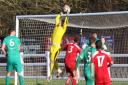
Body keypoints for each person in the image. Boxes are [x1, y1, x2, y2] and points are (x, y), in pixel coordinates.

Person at [49, 12, 68, 79]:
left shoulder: (63, 29)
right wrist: (60, 14)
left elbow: (66, 23)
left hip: (57, 48)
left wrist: (67, 15)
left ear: (61, 23)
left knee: (52, 61)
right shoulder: (56, 26)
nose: (59, 22)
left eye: (60, 21)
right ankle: (58, 70)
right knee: (53, 61)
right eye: (59, 21)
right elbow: (56, 18)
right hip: (51, 47)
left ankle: (50, 75)